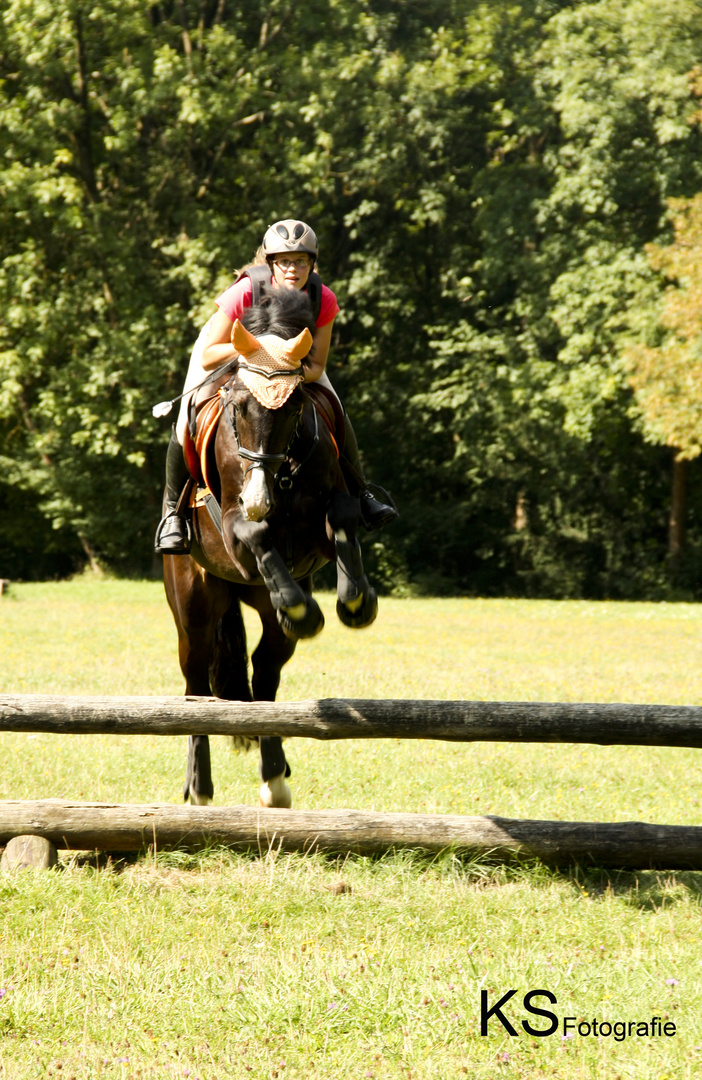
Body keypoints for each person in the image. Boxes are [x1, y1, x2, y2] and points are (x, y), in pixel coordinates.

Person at [155, 219, 398, 554]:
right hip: (228, 351)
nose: (293, 269)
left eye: (301, 261)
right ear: (271, 263)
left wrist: (281, 373)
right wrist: (257, 350)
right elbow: (211, 355)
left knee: (336, 407)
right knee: (187, 417)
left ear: (312, 263)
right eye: (285, 261)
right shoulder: (244, 292)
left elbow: (315, 367)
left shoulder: (321, 297)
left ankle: (361, 494)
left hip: (292, 365)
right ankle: (173, 514)